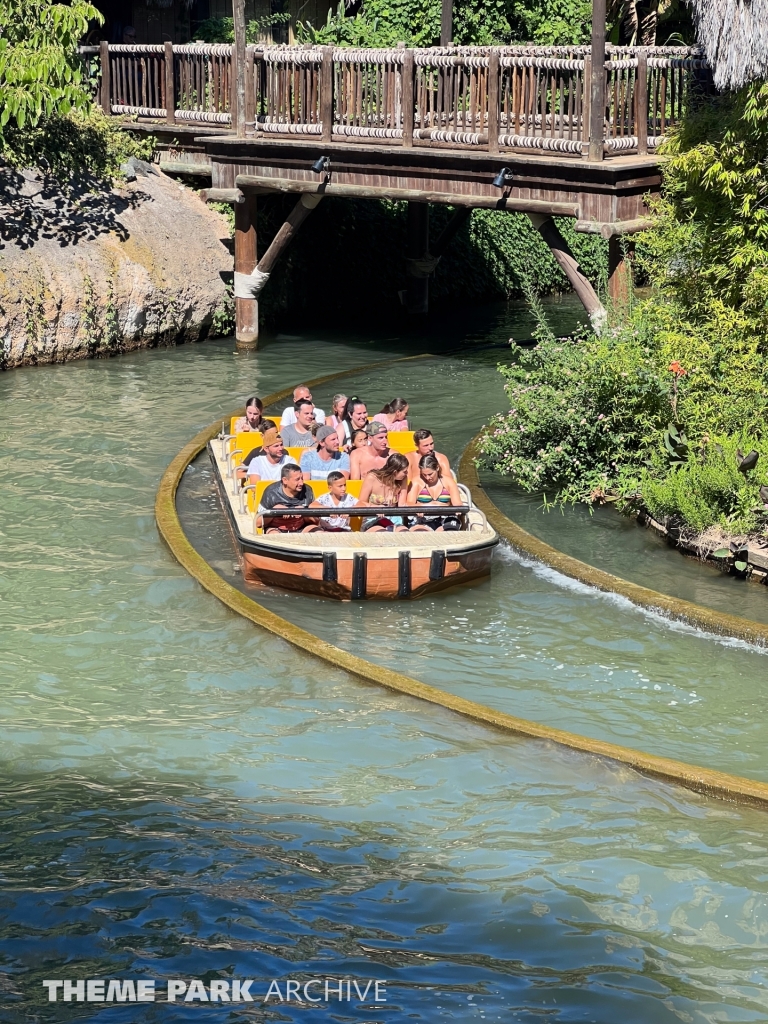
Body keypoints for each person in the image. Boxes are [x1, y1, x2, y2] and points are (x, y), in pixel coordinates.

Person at [406, 453, 463, 531]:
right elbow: (408, 503)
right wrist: (420, 507)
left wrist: (457, 508)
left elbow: (457, 503)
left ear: (437, 468)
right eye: (424, 475)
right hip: (423, 519)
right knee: (421, 533)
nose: (427, 478)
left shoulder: (449, 482)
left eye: (430, 474)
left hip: (445, 517)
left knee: (449, 530)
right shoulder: (416, 482)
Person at [256, 465, 318, 533]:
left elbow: (316, 521)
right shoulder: (271, 492)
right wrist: (274, 511)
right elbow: (258, 523)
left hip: (302, 528)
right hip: (276, 529)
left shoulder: (307, 490)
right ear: (285, 480)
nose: (301, 483)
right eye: (297, 479)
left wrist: (304, 512)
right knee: (274, 536)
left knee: (319, 532)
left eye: (302, 478)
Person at [357, 453, 410, 532]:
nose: (407, 474)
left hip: (394, 519)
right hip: (373, 519)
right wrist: (374, 508)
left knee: (404, 533)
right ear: (395, 472)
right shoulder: (372, 478)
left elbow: (402, 504)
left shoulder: (403, 479)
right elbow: (360, 503)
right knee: (383, 534)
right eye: (404, 471)